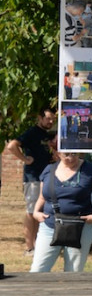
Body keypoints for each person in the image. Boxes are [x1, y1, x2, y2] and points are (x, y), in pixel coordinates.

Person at [30, 151, 92, 272]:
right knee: (37, 270)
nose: (71, 158)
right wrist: (35, 211)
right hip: (50, 225)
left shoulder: (90, 169)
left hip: (80, 227)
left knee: (73, 272)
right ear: (58, 153)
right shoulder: (49, 169)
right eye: (66, 154)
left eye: (75, 154)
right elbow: (42, 196)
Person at [3, 107, 58, 256]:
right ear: (39, 118)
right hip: (32, 178)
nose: (51, 121)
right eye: (48, 118)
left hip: (45, 177)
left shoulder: (45, 135)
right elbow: (12, 145)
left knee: (40, 211)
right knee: (31, 211)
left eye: (53, 119)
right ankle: (29, 248)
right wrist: (25, 159)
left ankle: (37, 246)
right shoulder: (32, 132)